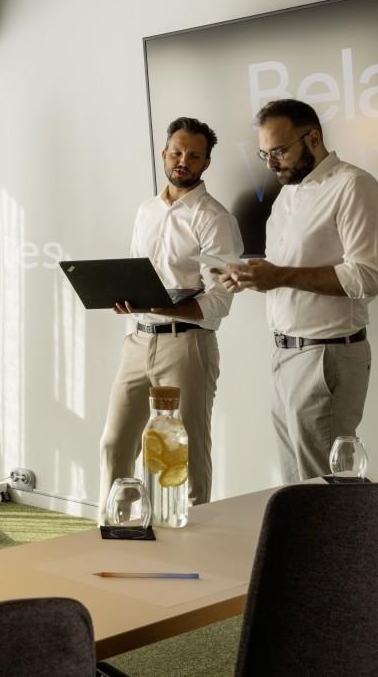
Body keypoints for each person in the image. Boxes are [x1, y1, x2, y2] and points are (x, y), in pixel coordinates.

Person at [218, 99, 378, 482]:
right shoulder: (287, 195)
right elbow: (287, 274)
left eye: (279, 151)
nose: (270, 164)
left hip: (326, 355)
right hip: (285, 355)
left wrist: (278, 276)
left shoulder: (353, 186)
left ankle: (351, 544)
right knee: (299, 483)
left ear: (313, 138)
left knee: (325, 485)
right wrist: (253, 276)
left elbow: (367, 277)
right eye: (264, 154)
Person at [97, 117, 242, 521]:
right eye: (177, 152)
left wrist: (162, 307)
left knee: (184, 452)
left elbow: (220, 299)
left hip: (187, 344)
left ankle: (192, 539)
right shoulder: (145, 211)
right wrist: (123, 296)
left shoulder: (215, 219)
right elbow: (134, 271)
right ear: (164, 154)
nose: (183, 161)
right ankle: (115, 528)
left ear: (206, 162)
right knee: (115, 443)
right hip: (137, 340)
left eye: (194, 155)